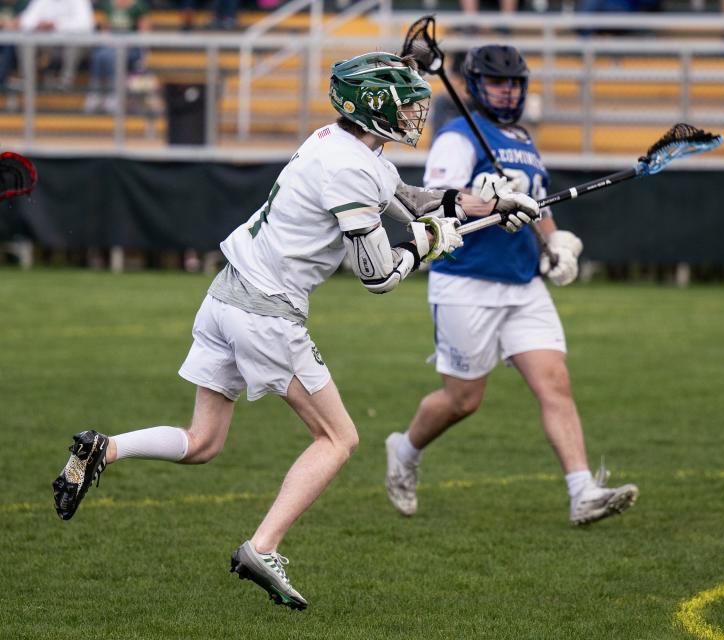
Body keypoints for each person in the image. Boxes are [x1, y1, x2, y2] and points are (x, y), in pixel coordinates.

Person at [51, 51, 539, 610]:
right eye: (404, 106)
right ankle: (263, 546)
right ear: (374, 107)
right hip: (266, 312)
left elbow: (405, 199)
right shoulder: (351, 168)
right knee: (340, 439)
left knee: (203, 443)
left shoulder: (342, 142)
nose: (413, 116)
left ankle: (103, 450)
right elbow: (377, 275)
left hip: (225, 297)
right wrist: (428, 243)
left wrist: (491, 203)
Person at [383, 44, 638, 527]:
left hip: (523, 283)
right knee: (463, 400)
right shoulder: (458, 136)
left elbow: (537, 203)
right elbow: (441, 202)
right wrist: (489, 203)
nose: (507, 91)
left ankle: (582, 491)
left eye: (515, 83)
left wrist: (555, 242)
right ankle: (406, 450)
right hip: (466, 281)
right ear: (477, 86)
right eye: (498, 82)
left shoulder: (522, 138)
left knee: (555, 384)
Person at [84, 0, 150, 113]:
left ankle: (113, 95)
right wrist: (108, 41)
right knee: (99, 55)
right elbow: (105, 30)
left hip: (132, 47)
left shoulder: (139, 7)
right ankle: (95, 93)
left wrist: (135, 47)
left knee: (112, 56)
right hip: (112, 45)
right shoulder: (109, 5)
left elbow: (144, 33)